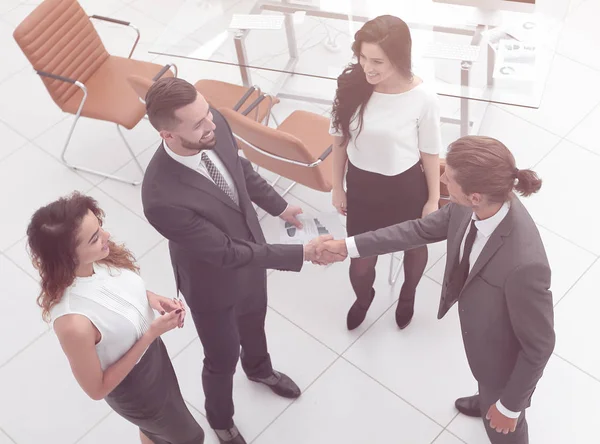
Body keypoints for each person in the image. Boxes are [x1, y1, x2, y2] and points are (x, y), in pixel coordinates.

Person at [316, 136, 555, 444]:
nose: (441, 178)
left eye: (449, 177)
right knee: (488, 388)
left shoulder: (525, 264)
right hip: (482, 341)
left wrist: (510, 407)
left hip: (502, 359)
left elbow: (540, 346)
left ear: (476, 197)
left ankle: (495, 404)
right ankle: (486, 399)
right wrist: (347, 247)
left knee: (503, 430)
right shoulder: (470, 206)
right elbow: (416, 230)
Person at [141, 77, 325, 444]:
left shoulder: (213, 124)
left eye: (207, 113)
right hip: (212, 282)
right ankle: (221, 419)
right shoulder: (161, 197)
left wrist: (279, 205)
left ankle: (259, 370)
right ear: (168, 136)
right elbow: (224, 253)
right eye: (197, 124)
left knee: (255, 321)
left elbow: (239, 170)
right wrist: (301, 253)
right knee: (221, 356)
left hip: (252, 260)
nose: (211, 124)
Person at [26, 192, 205, 444]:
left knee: (159, 432)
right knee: (191, 437)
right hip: (136, 387)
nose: (106, 236)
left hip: (155, 359)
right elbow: (96, 389)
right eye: (94, 238)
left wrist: (150, 299)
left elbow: (114, 291)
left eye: (100, 228)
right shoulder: (73, 322)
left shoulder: (101, 258)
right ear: (69, 256)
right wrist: (150, 334)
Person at [329, 15, 442, 330]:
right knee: (361, 263)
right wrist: (337, 187)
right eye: (363, 57)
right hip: (363, 187)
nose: (368, 68)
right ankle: (364, 299)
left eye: (377, 61)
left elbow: (429, 153)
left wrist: (432, 199)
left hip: (405, 187)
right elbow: (339, 143)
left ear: (399, 57)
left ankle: (407, 295)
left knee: (413, 247)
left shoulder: (423, 99)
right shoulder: (352, 86)